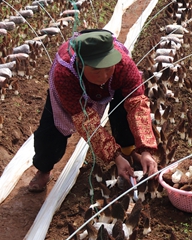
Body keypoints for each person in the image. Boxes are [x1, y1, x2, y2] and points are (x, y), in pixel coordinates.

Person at [28, 29, 158, 192]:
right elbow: (85, 120)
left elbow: (137, 105)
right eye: (96, 70)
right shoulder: (64, 73)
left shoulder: (123, 65)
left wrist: (146, 150)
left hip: (112, 87)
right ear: (81, 64)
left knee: (124, 111)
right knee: (51, 132)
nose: (104, 75)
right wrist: (113, 156)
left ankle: (129, 150)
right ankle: (44, 169)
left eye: (108, 67)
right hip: (73, 91)